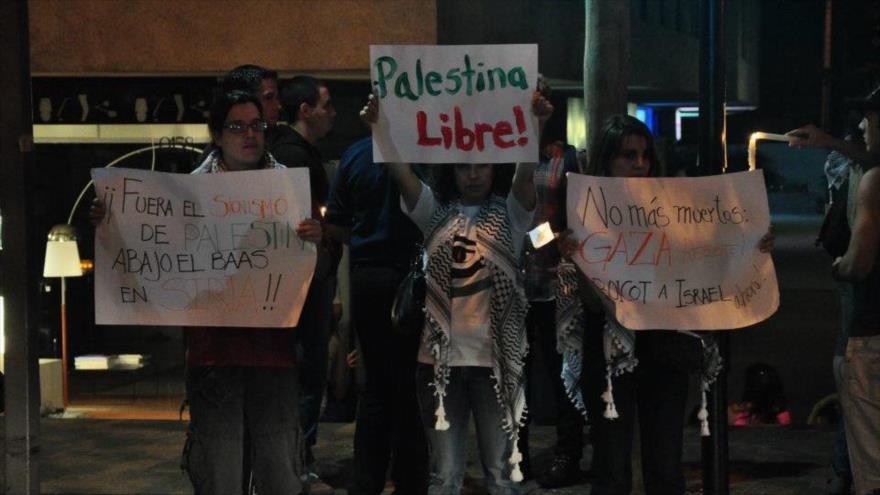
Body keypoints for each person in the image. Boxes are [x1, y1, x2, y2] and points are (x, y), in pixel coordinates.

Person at [91, 90, 322, 495]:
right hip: (215, 352)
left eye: (256, 125)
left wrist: (315, 240)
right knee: (220, 470)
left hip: (274, 350)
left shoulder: (287, 186)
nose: (249, 135)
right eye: (237, 126)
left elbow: (308, 269)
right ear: (216, 134)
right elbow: (151, 250)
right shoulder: (186, 193)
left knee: (279, 469)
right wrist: (111, 220)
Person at [557, 115, 770, 495]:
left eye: (645, 156)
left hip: (665, 346)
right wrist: (562, 248)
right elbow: (540, 241)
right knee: (611, 468)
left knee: (666, 466)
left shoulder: (673, 207)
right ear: (607, 160)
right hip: (609, 350)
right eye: (628, 156)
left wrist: (753, 245)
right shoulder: (583, 207)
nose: (639, 164)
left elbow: (709, 251)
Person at [363, 91, 551, 494]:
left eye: (481, 163)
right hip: (439, 363)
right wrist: (380, 128)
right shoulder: (436, 213)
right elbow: (403, 173)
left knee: (501, 475)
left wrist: (536, 124)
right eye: (463, 165)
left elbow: (524, 173)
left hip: (495, 364)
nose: (472, 173)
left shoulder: (511, 215)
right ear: (452, 167)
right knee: (444, 475)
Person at [324, 137, 429, 494]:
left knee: (377, 386)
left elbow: (336, 223)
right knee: (412, 383)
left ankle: (367, 480)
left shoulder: (354, 154)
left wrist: (366, 232)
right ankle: (411, 479)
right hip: (417, 273)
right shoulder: (429, 146)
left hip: (368, 274)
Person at [791, 86, 880, 495]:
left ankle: (846, 474)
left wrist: (840, 267)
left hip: (870, 324)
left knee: (870, 452)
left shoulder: (874, 182)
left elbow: (858, 263)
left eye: (871, 118)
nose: (863, 126)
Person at [274, 75, 341, 493]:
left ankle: (295, 459)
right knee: (306, 370)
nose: (332, 113)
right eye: (326, 104)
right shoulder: (293, 156)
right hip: (301, 285)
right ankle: (298, 462)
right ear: (305, 110)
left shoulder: (292, 153)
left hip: (299, 283)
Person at [517, 135, 584, 488]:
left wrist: (535, 237)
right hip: (514, 282)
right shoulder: (504, 150)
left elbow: (577, 219)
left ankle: (567, 454)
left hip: (554, 281)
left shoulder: (565, 158)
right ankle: (518, 454)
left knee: (562, 373)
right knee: (515, 374)